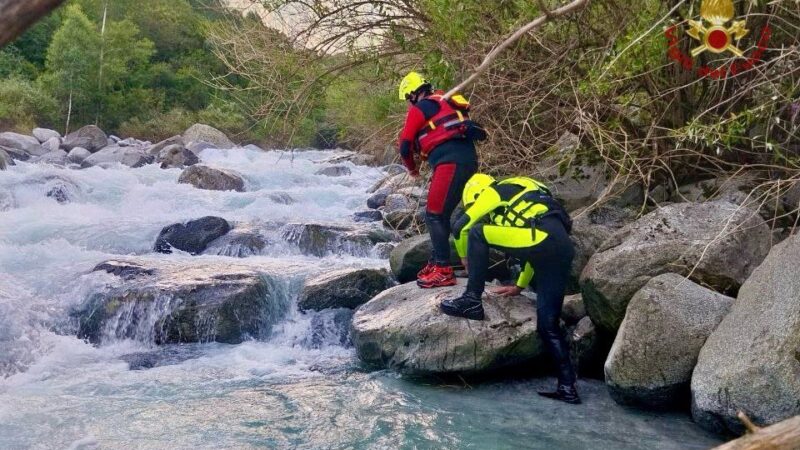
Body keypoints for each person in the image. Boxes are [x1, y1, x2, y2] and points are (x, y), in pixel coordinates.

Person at [441, 173, 580, 404]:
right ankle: (568, 387)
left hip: (541, 239)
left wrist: (465, 256)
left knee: (477, 232)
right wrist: (519, 285)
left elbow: (461, 226)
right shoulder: (531, 190)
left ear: (476, 194)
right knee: (548, 325)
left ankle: (471, 301)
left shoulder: (494, 191)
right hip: (561, 248)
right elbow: (532, 250)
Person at [397, 71, 486, 288]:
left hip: (450, 162)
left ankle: (443, 270)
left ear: (413, 94)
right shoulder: (445, 101)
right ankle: (437, 261)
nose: (409, 104)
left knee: (434, 215)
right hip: (466, 160)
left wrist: (412, 169)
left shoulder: (420, 108)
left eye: (408, 99)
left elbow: (405, 144)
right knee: (442, 213)